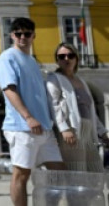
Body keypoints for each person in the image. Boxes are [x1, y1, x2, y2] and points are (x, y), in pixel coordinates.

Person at [0, 17, 65, 206]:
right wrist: (28, 117)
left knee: (58, 171)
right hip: (22, 126)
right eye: (18, 34)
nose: (22, 37)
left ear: (34, 36)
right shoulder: (7, 57)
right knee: (21, 174)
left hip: (44, 127)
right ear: (12, 35)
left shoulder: (32, 61)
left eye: (27, 33)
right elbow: (9, 89)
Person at [46, 41, 109, 172]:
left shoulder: (81, 81)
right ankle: (75, 194)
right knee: (77, 172)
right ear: (57, 60)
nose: (66, 59)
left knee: (96, 171)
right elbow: (54, 104)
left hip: (87, 130)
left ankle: (92, 194)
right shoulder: (54, 78)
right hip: (71, 130)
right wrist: (64, 128)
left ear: (76, 58)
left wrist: (102, 132)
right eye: (61, 56)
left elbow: (90, 110)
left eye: (70, 55)